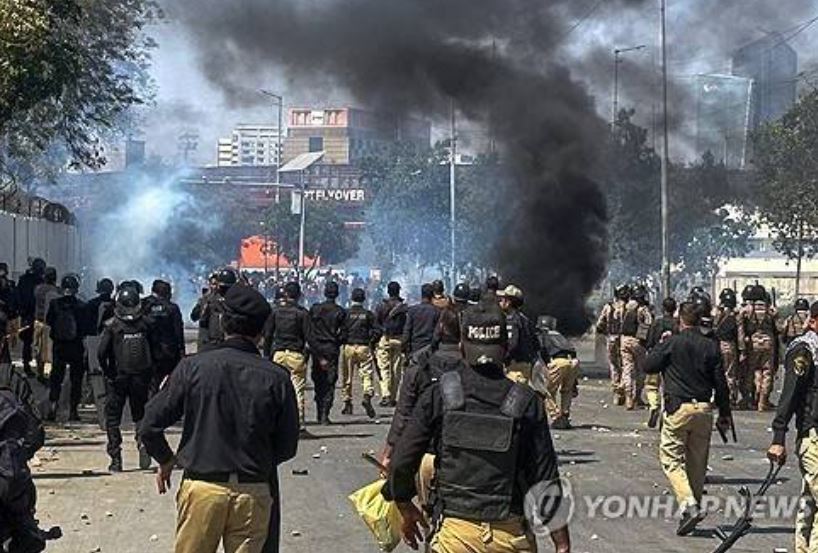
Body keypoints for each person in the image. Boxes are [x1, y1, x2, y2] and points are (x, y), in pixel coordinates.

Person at [385, 301, 571, 553]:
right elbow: (545, 478)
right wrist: (562, 544)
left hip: (454, 537)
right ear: (505, 349)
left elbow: (401, 462)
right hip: (510, 537)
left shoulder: (438, 395)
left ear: (462, 347)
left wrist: (406, 508)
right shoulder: (526, 402)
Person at [140, 285, 299, 553]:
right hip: (253, 492)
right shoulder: (277, 378)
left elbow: (149, 425)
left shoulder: (192, 368)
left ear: (223, 322)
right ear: (261, 332)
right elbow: (286, 447)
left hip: (202, 490)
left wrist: (166, 459)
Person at [645, 301, 732, 536]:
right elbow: (721, 385)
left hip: (678, 409)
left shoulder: (672, 342)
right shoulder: (711, 346)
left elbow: (648, 365)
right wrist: (725, 414)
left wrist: (661, 346)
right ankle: (689, 510)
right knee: (697, 464)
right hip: (704, 410)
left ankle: (689, 504)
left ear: (680, 320)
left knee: (671, 459)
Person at [382, 307, 463, 497]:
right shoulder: (471, 367)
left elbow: (404, 414)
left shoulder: (421, 364)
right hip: (462, 458)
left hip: (426, 454)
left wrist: (389, 452)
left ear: (440, 327)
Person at [767, 300, 818, 553]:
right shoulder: (805, 350)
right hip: (814, 436)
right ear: (814, 321)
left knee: (810, 503)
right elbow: (790, 394)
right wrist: (778, 437)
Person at [98, 287, 154, 472]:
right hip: (141, 377)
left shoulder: (111, 325)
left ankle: (116, 460)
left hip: (118, 378)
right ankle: (143, 444)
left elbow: (101, 353)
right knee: (140, 414)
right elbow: (155, 350)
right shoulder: (147, 323)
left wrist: (108, 372)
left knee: (113, 419)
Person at [263, 281, 310, 434]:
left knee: (276, 390)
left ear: (285, 294)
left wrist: (266, 354)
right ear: (299, 296)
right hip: (296, 354)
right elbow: (309, 336)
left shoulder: (275, 312)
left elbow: (268, 335)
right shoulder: (302, 313)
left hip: (278, 354)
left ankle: (276, 422)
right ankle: (299, 424)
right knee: (297, 390)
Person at [46, 274, 86, 422]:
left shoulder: (54, 304)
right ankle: (73, 411)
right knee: (76, 380)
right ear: (76, 289)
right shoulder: (81, 305)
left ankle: (53, 406)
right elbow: (84, 327)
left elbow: (49, 321)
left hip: (59, 346)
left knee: (56, 377)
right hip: (76, 346)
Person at [307, 281, 345, 425]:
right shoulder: (340, 311)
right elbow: (344, 333)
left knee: (318, 381)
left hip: (317, 349)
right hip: (331, 349)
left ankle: (320, 412)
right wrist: (336, 342)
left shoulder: (315, 309)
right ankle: (324, 414)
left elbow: (309, 330)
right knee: (329, 382)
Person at [738, 284, 779, 411]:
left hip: (753, 344)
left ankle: (748, 398)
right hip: (768, 344)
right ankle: (763, 401)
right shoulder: (770, 310)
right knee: (767, 372)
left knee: (751, 371)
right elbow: (779, 328)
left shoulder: (747, 310)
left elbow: (741, 329)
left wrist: (742, 348)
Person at [339, 288, 378, 418]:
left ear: (352, 298)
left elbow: (341, 330)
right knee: (366, 375)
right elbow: (377, 330)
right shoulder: (368, 314)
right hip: (364, 346)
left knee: (347, 377)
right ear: (364, 299)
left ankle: (347, 402)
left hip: (349, 347)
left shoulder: (346, 313)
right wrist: (371, 341)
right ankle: (367, 395)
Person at [537, 316, 580, 430]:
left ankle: (556, 417)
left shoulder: (543, 335)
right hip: (573, 361)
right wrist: (575, 382)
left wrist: (545, 368)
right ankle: (565, 415)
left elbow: (542, 352)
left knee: (546, 391)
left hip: (558, 361)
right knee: (567, 390)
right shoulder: (559, 335)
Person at [141, 279, 185, 393]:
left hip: (148, 352)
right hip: (168, 353)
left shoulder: (143, 305)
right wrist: (181, 353)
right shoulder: (172, 308)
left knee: (150, 385)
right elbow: (178, 333)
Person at [644, 297, 678, 428]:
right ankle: (665, 413)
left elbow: (649, 342)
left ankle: (654, 406)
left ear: (663, 309)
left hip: (656, 357)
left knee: (652, 386)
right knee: (667, 389)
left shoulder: (657, 323)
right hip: (672, 361)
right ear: (674, 309)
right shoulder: (678, 324)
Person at [596, 284, 629, 406]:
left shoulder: (608, 307)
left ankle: (617, 390)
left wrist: (605, 332)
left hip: (611, 338)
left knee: (614, 365)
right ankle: (623, 386)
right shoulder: (630, 308)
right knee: (626, 365)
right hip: (625, 339)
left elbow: (600, 324)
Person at [620, 284, 653, 410]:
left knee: (627, 369)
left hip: (624, 340)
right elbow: (648, 325)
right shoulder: (643, 309)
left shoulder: (625, 306)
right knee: (641, 370)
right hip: (637, 341)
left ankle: (628, 397)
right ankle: (637, 397)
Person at [375, 281, 408, 407]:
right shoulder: (404, 307)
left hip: (385, 338)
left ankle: (386, 395)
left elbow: (376, 323)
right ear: (398, 291)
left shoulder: (381, 306)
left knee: (383, 368)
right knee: (396, 370)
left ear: (388, 291)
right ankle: (393, 397)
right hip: (399, 340)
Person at [498, 285, 538, 386]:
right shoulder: (525, 319)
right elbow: (536, 343)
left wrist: (502, 359)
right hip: (525, 365)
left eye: (503, 299)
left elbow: (512, 344)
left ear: (508, 302)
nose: (500, 301)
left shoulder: (512, 320)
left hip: (514, 368)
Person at [15, 258, 45, 377]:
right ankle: (36, 367)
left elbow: (19, 296)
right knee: (37, 343)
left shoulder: (24, 279)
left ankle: (28, 365)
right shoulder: (40, 282)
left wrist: (21, 311)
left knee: (29, 342)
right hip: (35, 315)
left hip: (28, 315)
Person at [714, 289, 742, 408]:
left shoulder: (717, 314)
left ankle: (717, 396)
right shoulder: (736, 317)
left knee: (717, 372)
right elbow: (740, 335)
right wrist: (742, 350)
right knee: (730, 374)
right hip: (730, 346)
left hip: (717, 345)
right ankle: (730, 398)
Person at [197, 268, 239, 348]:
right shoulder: (209, 299)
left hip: (230, 343)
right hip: (212, 342)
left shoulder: (237, 301)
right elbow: (202, 321)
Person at [33, 268, 59, 383]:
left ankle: (40, 372)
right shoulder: (56, 291)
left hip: (38, 322)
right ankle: (48, 373)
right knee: (48, 350)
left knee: (38, 348)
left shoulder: (38, 289)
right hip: (49, 324)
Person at [402, 283, 440, 360]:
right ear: (432, 295)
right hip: (430, 351)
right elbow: (437, 335)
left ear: (421, 295)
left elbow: (407, 332)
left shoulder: (412, 311)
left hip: (414, 351)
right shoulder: (437, 311)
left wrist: (405, 350)